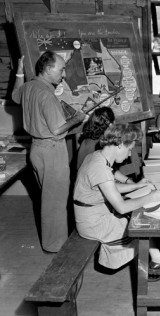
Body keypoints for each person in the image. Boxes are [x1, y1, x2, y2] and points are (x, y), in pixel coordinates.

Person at [74, 123, 160, 275]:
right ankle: (150, 267)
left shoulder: (97, 156)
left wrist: (136, 186)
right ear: (119, 145)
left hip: (94, 214)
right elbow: (121, 207)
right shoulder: (100, 167)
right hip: (93, 223)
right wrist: (150, 196)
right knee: (140, 225)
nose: (128, 154)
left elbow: (109, 187)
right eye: (129, 149)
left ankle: (157, 262)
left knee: (139, 219)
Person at [12, 51, 87, 253]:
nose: (63, 74)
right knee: (55, 203)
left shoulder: (30, 86)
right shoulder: (47, 94)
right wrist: (77, 119)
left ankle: (54, 241)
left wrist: (19, 73)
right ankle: (57, 249)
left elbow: (15, 96)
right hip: (52, 151)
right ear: (47, 69)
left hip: (36, 150)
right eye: (61, 69)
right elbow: (57, 129)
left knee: (48, 198)